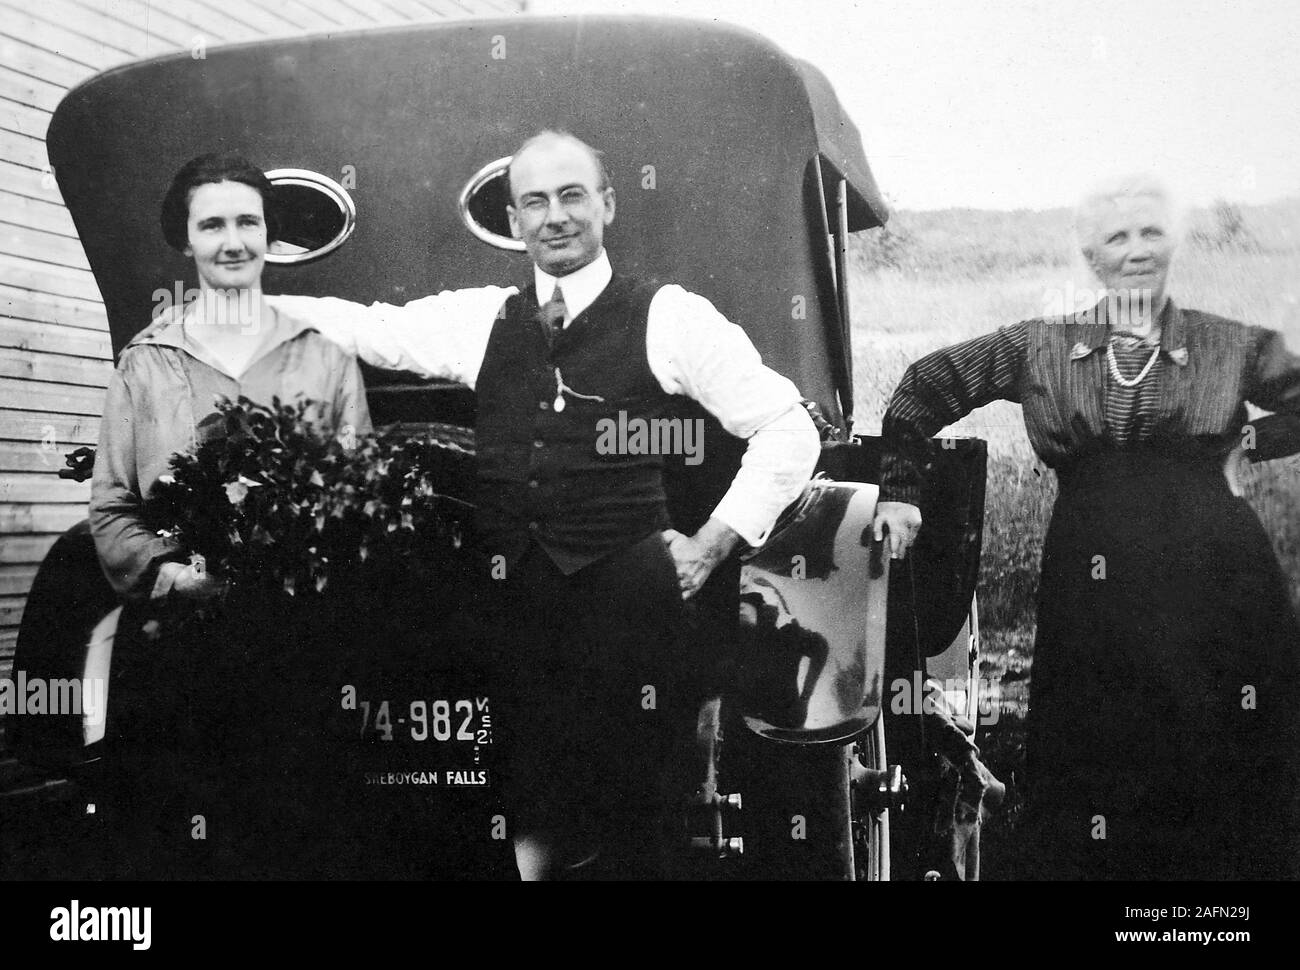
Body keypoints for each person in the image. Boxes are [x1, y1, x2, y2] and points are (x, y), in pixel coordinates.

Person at [291, 129, 822, 879]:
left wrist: (712, 541)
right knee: (524, 810)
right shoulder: (483, 317)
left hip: (629, 603)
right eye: (534, 202)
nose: (555, 216)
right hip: (515, 604)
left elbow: (787, 426)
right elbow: (373, 329)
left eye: (573, 195)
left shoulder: (668, 315)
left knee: (641, 815)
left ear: (606, 205)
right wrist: (241, 305)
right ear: (514, 223)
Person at [872, 174, 1300, 880]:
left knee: (1224, 738)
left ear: (1176, 244)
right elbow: (922, 388)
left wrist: (1246, 444)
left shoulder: (1230, 346)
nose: (1137, 250)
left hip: (1219, 571)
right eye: (1118, 237)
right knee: (1103, 741)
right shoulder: (1041, 347)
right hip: (1095, 570)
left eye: (1152, 232)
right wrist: (901, 494)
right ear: (1092, 257)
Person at [89, 153, 371, 877]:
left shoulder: (322, 357)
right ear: (186, 242)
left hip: (295, 645)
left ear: (269, 234)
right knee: (180, 847)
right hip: (177, 645)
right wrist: (175, 576)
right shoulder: (147, 361)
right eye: (211, 224)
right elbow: (113, 506)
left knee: (293, 837)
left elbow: (358, 496)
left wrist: (309, 561)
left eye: (248, 221)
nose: (233, 240)